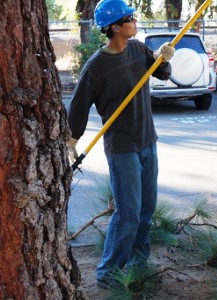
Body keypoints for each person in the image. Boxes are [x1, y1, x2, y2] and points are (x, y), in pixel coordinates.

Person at [66, 0, 175, 289]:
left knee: (146, 210)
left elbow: (162, 74)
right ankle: (108, 272)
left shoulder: (139, 49)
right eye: (130, 17)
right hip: (122, 147)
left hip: (147, 141)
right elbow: (78, 106)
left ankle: (139, 264)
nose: (135, 20)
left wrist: (163, 58)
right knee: (128, 213)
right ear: (115, 27)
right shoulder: (96, 67)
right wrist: (71, 139)